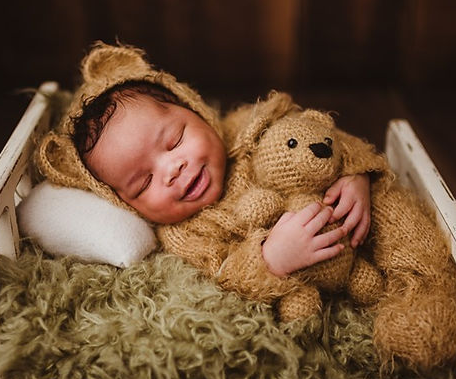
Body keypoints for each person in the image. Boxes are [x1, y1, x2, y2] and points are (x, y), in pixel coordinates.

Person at [69, 80, 371, 278]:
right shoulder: (185, 237)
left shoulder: (250, 128)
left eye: (174, 141)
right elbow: (226, 277)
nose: (172, 170)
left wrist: (354, 174)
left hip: (357, 231)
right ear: (124, 203)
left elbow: (317, 133)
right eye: (144, 183)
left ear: (195, 110)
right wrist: (271, 259)